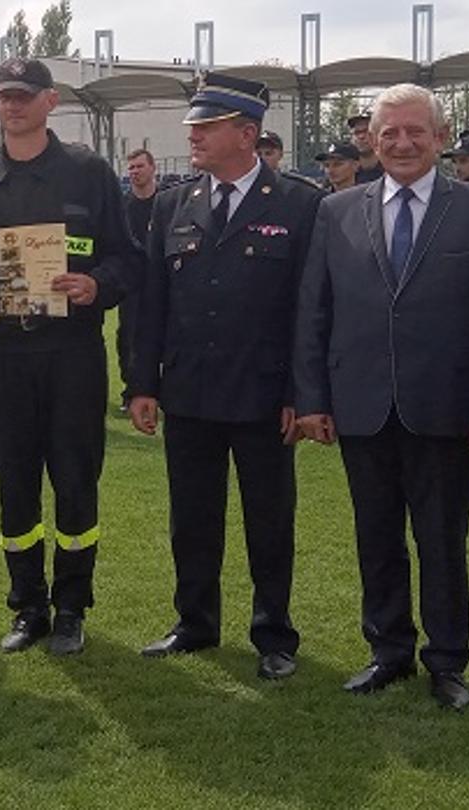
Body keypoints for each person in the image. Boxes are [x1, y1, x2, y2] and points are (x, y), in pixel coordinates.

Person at [294, 83, 469, 711]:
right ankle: (387, 650)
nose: (401, 143)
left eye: (415, 131)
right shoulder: (337, 210)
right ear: (371, 140)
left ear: (441, 139)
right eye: (388, 132)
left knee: (442, 541)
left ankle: (447, 661)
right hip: (361, 404)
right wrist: (312, 397)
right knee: (376, 537)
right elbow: (315, 310)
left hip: (446, 409)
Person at [0, 58, 140, 656]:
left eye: (24, 95)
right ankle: (28, 605)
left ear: (50, 101)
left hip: (72, 352)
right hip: (2, 355)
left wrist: (95, 285)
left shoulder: (88, 173)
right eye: (4, 96)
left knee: (76, 480)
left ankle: (73, 604)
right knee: (15, 484)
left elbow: (128, 260)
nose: (13, 105)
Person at [127, 73, 322, 680]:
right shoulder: (172, 204)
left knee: (269, 518)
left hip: (265, 395)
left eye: (205, 127)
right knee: (192, 516)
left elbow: (308, 309)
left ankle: (273, 634)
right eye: (194, 127)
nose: (193, 137)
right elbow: (150, 303)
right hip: (190, 390)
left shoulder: (298, 203)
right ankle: (195, 621)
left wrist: (300, 392)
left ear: (246, 133)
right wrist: (143, 383)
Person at [119, 148, 161, 413]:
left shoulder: (167, 202)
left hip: (163, 280)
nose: (135, 172)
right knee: (129, 336)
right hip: (133, 284)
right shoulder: (123, 207)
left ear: (152, 167)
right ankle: (131, 390)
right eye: (131, 168)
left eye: (139, 167)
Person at [348, 112, 383, 184]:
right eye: (356, 132)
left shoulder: (390, 169)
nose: (361, 137)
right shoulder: (346, 171)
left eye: (366, 131)